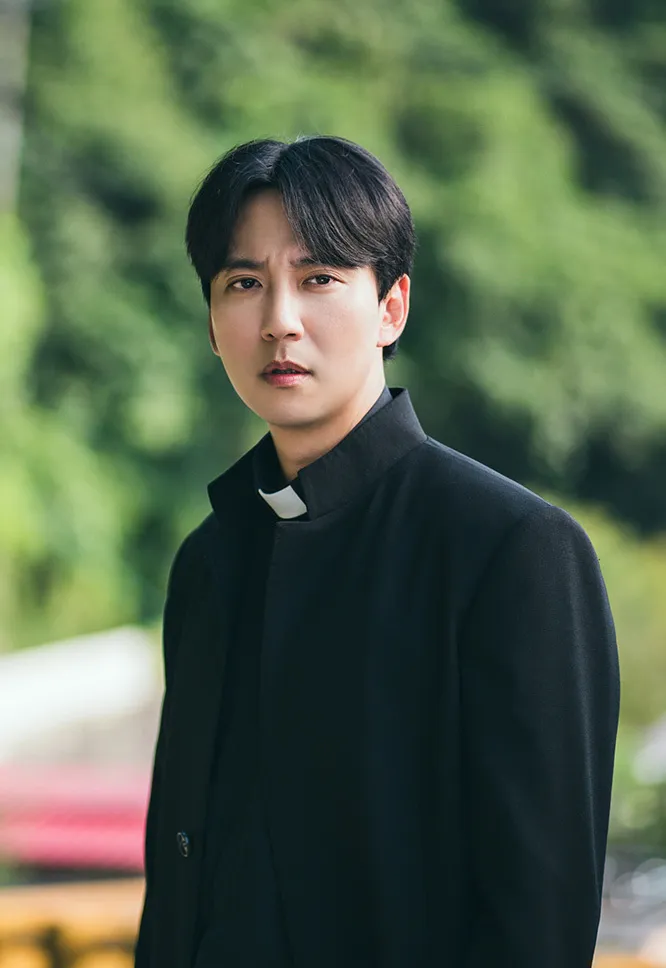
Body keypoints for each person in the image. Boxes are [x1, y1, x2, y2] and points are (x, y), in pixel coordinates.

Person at [134, 135, 620, 968]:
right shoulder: (209, 562)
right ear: (213, 324)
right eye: (244, 283)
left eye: (319, 278)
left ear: (392, 308)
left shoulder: (512, 551)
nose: (279, 320)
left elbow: (538, 929)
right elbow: (178, 891)